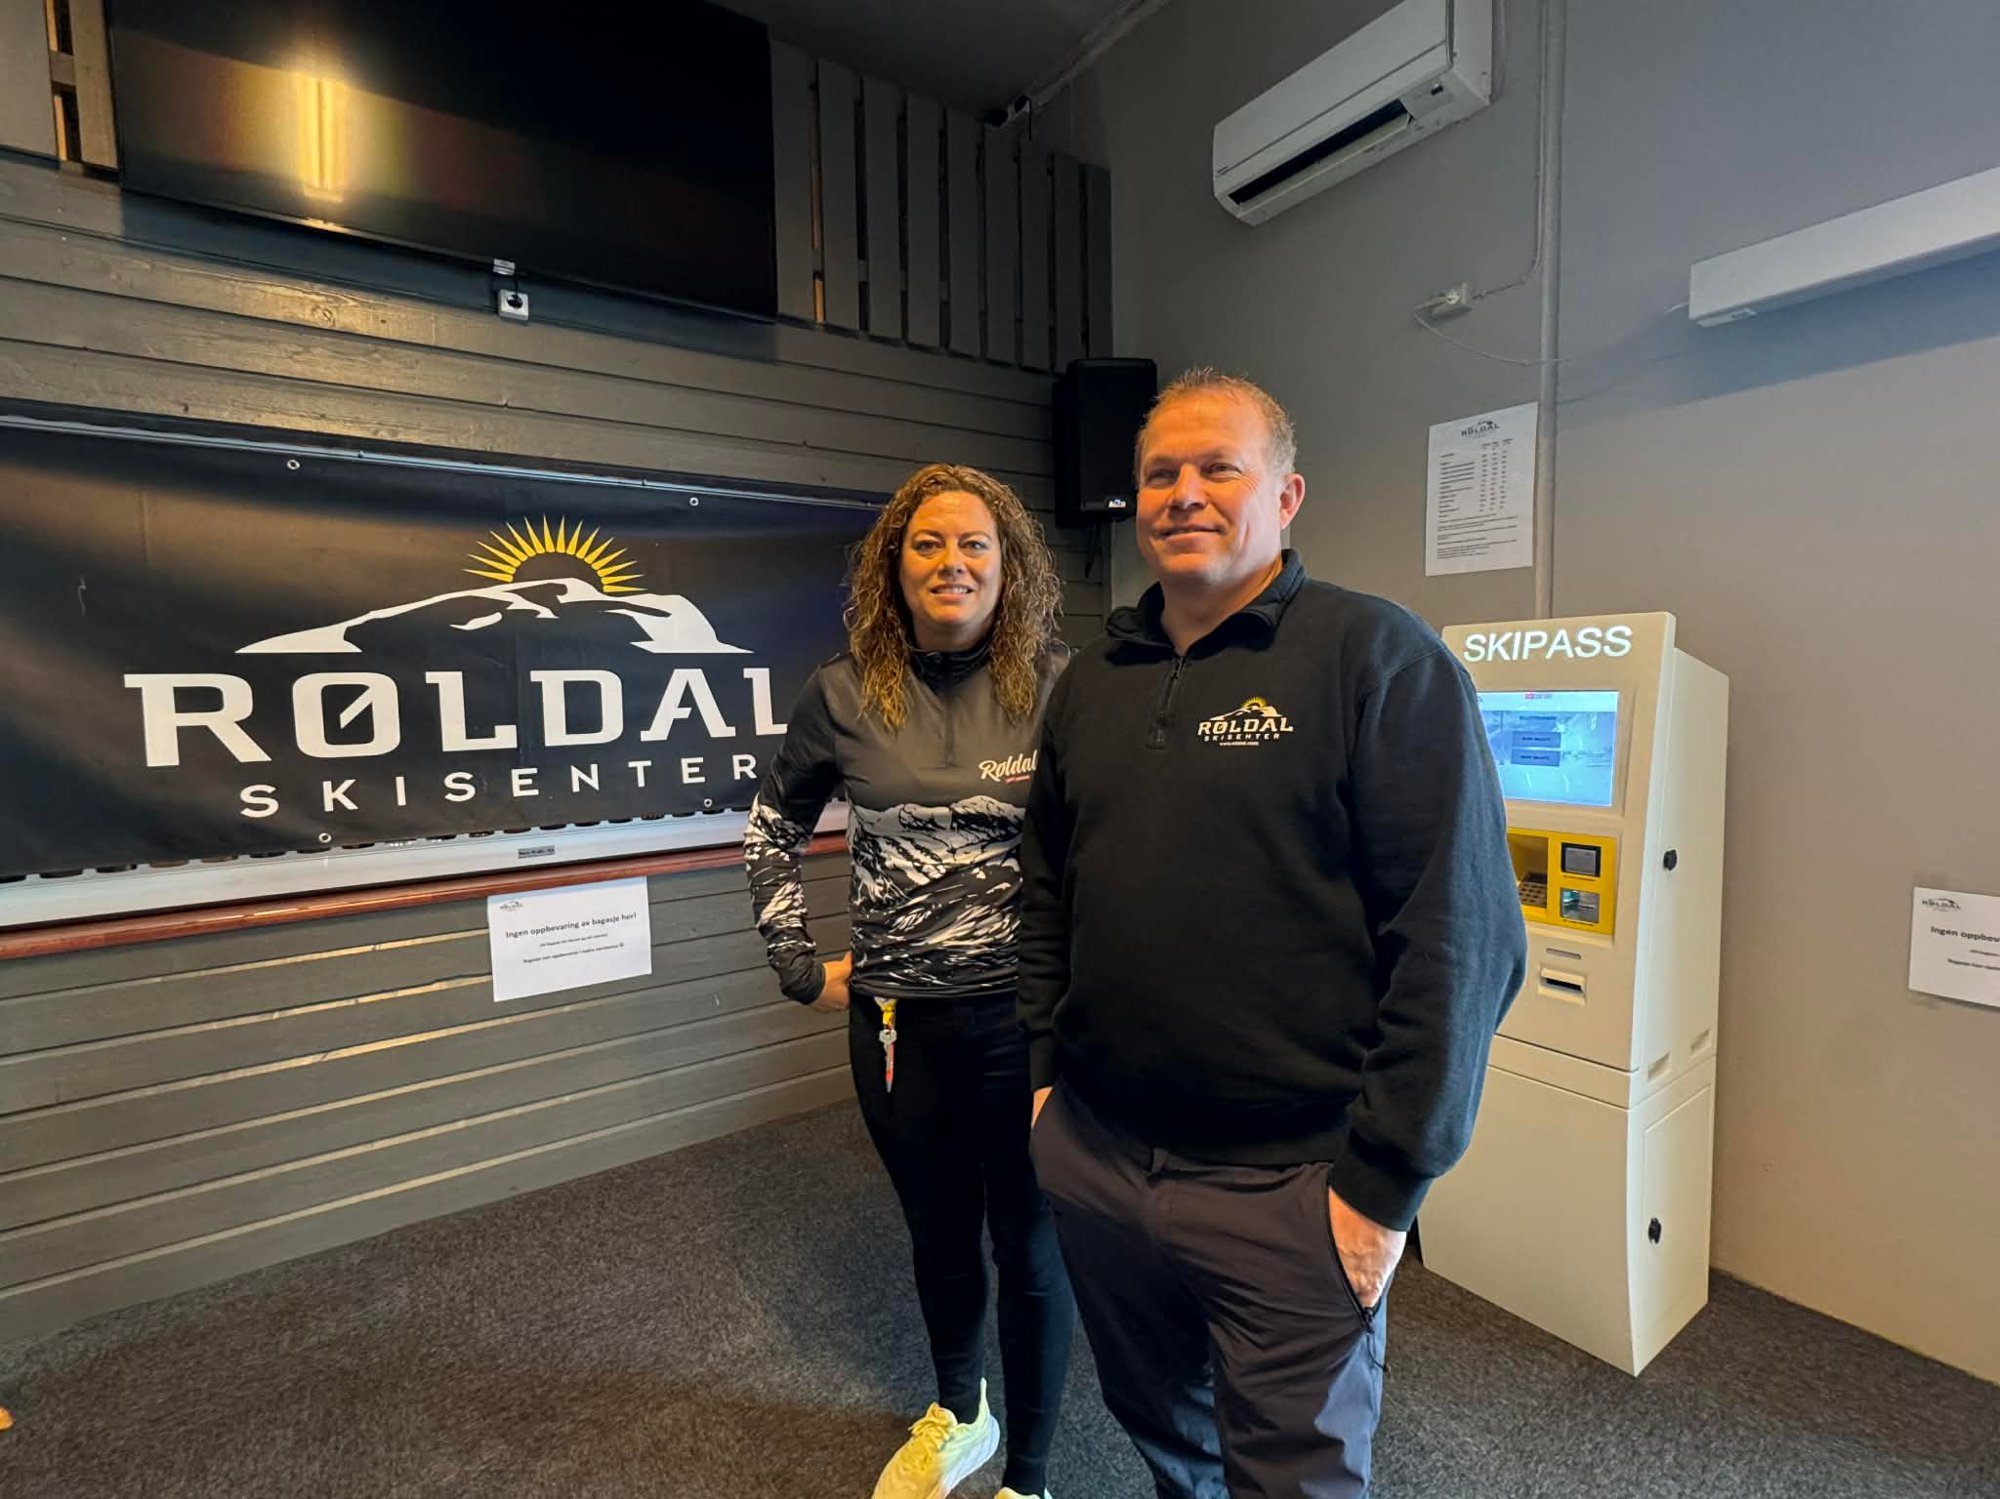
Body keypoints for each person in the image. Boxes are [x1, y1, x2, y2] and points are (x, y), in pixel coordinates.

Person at [1017, 371, 1528, 1498]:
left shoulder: (1376, 657)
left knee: (1294, 1476)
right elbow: (1045, 890)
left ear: (1285, 496)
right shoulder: (1090, 683)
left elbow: (1462, 939)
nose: (1183, 493)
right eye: (1160, 473)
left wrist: (1382, 1188)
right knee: (1163, 1433)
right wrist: (1047, 1083)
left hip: (1292, 1187)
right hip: (1097, 1154)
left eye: (1218, 468)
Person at [745, 463, 1075, 1499]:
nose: (951, 562)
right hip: (898, 1027)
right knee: (938, 1233)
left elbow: (1115, 846)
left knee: (1029, 1244)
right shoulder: (842, 692)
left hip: (1026, 1027)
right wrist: (799, 967)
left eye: (974, 543)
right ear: (893, 565)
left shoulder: (1061, 687)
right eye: (927, 543)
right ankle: (960, 1412)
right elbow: (771, 828)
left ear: (1009, 565)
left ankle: (1030, 1476)